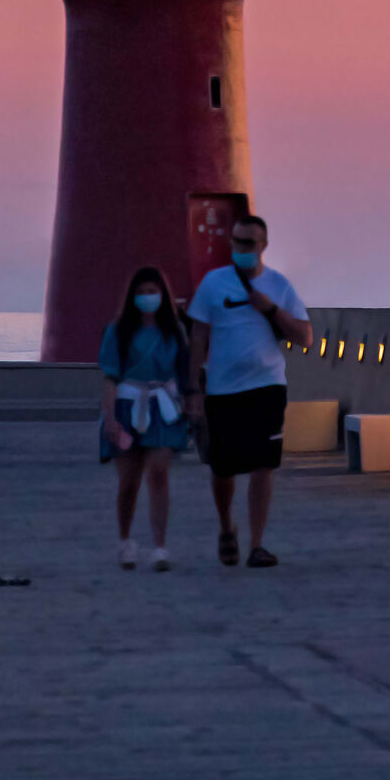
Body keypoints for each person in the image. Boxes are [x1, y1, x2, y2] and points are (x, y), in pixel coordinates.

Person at [187, 214, 312, 568]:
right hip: (224, 390)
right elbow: (198, 335)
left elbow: (305, 336)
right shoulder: (214, 284)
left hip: (267, 387)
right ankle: (227, 527)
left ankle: (257, 544)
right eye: (237, 242)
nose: (242, 249)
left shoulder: (279, 285)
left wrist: (270, 308)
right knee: (223, 469)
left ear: (264, 246)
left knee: (263, 466)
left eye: (249, 243)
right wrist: (192, 387)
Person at [99, 267, 194, 571]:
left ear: (163, 294)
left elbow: (184, 372)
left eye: (153, 291)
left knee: (158, 475)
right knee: (128, 482)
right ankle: (126, 541)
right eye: (141, 292)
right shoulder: (118, 330)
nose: (147, 297)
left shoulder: (175, 331)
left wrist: (192, 405)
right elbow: (110, 377)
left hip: (163, 409)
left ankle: (160, 546)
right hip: (127, 407)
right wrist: (110, 418)